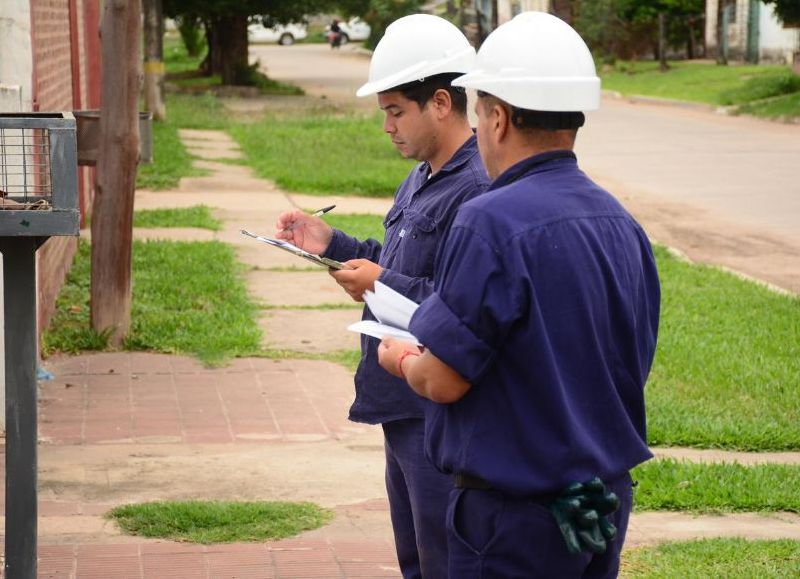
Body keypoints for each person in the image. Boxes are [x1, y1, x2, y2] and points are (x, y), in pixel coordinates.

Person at [377, 12, 661, 578]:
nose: (477, 129)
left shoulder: (488, 221)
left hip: (512, 513)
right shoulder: (621, 222)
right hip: (598, 501)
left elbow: (444, 378)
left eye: (479, 113)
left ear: (499, 118)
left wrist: (401, 358)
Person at [275, 14, 489, 579]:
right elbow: (399, 265)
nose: (387, 126)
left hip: (436, 408)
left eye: (396, 111)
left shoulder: (476, 189)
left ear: (441, 103)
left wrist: (378, 283)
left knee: (445, 561)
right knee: (415, 560)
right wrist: (334, 244)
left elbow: (460, 303)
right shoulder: (422, 174)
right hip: (398, 403)